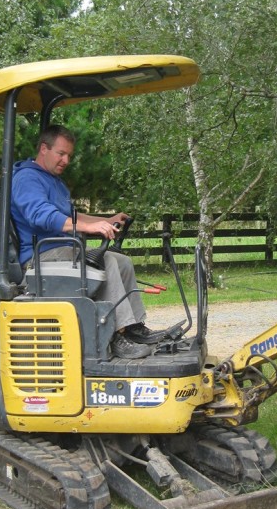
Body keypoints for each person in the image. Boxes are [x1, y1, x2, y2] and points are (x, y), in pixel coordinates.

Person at [10, 125, 169, 359]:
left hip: (62, 251)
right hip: (40, 257)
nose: (66, 160)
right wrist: (88, 227)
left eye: (69, 156)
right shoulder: (27, 179)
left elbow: (72, 217)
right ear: (44, 149)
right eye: (61, 154)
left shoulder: (53, 180)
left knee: (121, 262)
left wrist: (104, 220)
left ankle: (134, 327)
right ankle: (115, 335)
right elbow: (40, 214)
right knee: (105, 261)